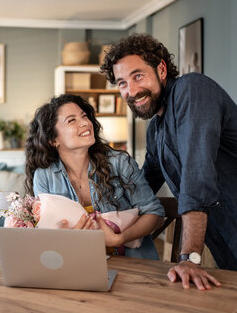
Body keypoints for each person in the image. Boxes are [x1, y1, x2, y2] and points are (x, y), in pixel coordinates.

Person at [100, 33, 237, 313]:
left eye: (138, 75)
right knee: (224, 312)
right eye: (122, 84)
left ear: (162, 69)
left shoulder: (193, 91)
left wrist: (189, 257)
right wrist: (96, 212)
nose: (132, 90)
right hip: (232, 231)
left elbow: (197, 175)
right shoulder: (156, 130)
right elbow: (142, 187)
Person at [25, 94, 165, 259]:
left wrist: (118, 239)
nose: (85, 123)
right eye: (72, 120)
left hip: (132, 264)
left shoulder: (119, 162)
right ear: (54, 139)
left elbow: (155, 214)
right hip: (77, 264)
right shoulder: (44, 176)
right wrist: (64, 239)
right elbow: (43, 234)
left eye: (84, 116)